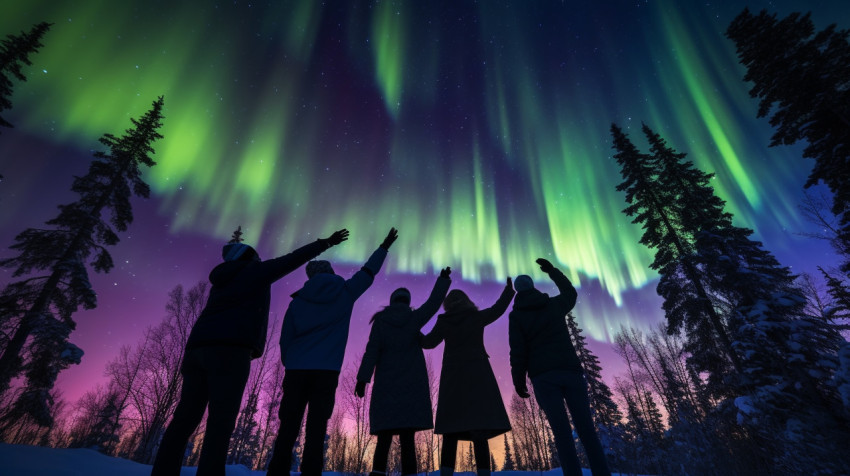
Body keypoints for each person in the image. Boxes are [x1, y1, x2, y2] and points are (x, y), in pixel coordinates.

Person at [150, 226, 349, 476]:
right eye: (255, 255)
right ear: (248, 258)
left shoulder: (222, 280)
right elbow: (292, 259)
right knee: (221, 420)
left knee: (185, 417)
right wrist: (325, 243)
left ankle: (163, 471)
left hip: (197, 350)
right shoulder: (254, 271)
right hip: (230, 352)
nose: (259, 258)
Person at [267, 227, 399, 476]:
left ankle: (277, 472)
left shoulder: (298, 301)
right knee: (317, 428)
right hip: (326, 371)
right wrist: (384, 247)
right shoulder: (346, 292)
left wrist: (290, 362)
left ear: (310, 276)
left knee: (288, 427)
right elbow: (368, 272)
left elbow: (286, 339)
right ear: (330, 272)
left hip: (296, 370)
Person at [508, 258, 611, 476]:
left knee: (562, 434)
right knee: (587, 430)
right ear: (532, 286)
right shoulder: (553, 305)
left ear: (517, 291)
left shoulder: (516, 316)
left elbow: (517, 350)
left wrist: (518, 380)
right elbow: (570, 293)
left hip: (543, 377)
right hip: (570, 372)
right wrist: (553, 271)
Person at [355, 267, 453, 476]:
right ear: (407, 302)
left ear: (392, 302)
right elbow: (433, 304)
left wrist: (362, 379)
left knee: (384, 437)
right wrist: (443, 280)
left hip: (386, 387)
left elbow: (371, 351)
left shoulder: (381, 322)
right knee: (408, 438)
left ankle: (378, 473)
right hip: (411, 386)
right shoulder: (414, 318)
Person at [422, 278, 515, 476]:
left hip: (453, 377)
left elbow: (429, 342)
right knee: (479, 428)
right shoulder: (476, 317)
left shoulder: (444, 321)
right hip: (478, 375)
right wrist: (508, 291)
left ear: (448, 304)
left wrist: (411, 331)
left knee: (451, 429)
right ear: (467, 301)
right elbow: (498, 309)